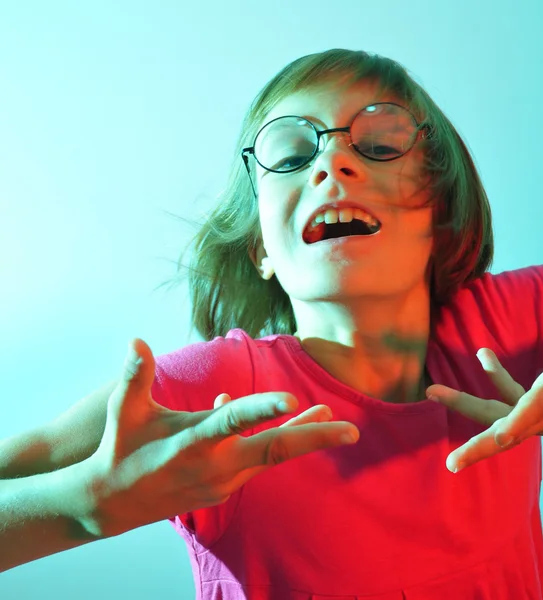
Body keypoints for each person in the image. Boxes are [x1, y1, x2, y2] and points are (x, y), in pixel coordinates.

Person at [1, 48, 542, 598]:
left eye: (379, 145)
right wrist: (80, 508)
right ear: (262, 247)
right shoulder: (212, 396)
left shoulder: (505, 325)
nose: (331, 163)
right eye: (289, 157)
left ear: (440, 218)